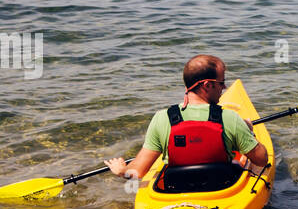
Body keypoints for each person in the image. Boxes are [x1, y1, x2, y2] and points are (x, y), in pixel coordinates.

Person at [105, 54, 269, 182]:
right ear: (207, 85)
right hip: (221, 187)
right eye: (222, 82)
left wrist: (121, 171)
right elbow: (261, 160)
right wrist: (248, 132)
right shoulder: (229, 118)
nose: (224, 88)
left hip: (174, 191)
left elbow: (136, 173)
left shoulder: (162, 119)